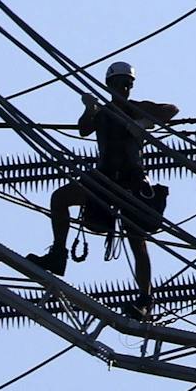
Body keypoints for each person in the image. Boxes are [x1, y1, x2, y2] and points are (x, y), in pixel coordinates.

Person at [33, 60, 178, 314]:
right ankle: (58, 254)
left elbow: (171, 110)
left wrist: (143, 121)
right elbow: (83, 129)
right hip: (104, 177)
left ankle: (145, 299)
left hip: (131, 180)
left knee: (137, 240)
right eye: (121, 83)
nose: (125, 88)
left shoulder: (135, 108)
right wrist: (90, 108)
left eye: (128, 84)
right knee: (60, 198)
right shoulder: (102, 113)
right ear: (110, 84)